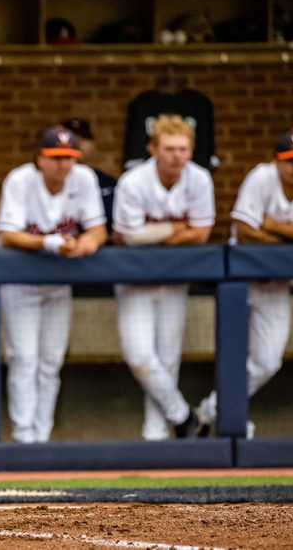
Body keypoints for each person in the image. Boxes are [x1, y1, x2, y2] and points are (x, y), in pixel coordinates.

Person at [196, 129, 293, 438]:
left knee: (268, 362)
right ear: (276, 161)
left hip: (277, 285)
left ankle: (211, 410)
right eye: (289, 160)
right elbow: (246, 229)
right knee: (232, 355)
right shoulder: (261, 177)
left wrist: (273, 226)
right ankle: (234, 422)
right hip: (241, 282)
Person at [0, 126, 107, 443]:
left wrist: (88, 241)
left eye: (69, 158)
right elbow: (8, 234)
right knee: (23, 359)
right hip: (20, 280)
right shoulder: (20, 179)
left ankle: (41, 435)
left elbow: (98, 229)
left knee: (51, 361)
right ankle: (23, 436)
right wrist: (50, 242)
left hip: (57, 281)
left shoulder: (83, 178)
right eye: (56, 157)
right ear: (40, 159)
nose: (63, 164)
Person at [112, 114, 214, 441]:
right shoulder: (133, 181)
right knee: (140, 357)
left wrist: (154, 236)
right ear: (153, 149)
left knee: (168, 360)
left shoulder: (199, 179)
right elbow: (129, 236)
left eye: (183, 149)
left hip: (173, 280)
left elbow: (201, 233)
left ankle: (156, 436)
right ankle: (182, 415)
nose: (176, 156)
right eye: (169, 149)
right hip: (134, 281)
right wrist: (175, 228)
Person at [62, 118, 117, 235]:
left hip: (98, 242)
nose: (78, 143)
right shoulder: (49, 180)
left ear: (93, 143)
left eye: (83, 138)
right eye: (72, 138)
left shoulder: (107, 182)